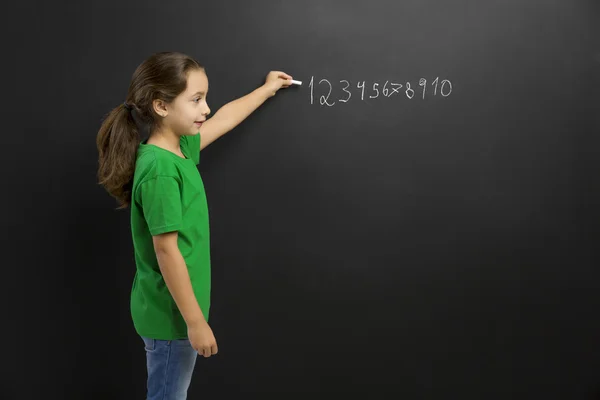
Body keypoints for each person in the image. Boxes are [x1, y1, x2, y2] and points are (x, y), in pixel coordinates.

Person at [96, 51, 293, 399]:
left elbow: (225, 119)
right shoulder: (160, 170)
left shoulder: (179, 149)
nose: (206, 108)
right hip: (172, 318)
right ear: (161, 107)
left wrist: (267, 89)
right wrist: (195, 323)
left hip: (174, 314)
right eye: (197, 99)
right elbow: (166, 250)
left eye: (205, 98)